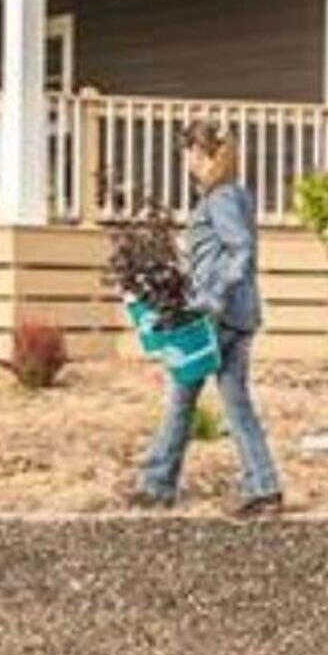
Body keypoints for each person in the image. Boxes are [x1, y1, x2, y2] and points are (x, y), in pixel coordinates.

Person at [133, 120, 282, 517]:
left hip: (219, 317)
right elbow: (220, 253)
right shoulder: (231, 195)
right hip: (236, 314)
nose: (186, 162)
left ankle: (156, 483)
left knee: (184, 391)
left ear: (202, 155)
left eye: (188, 154)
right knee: (233, 401)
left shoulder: (221, 198)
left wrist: (212, 297)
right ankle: (263, 486)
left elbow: (241, 251)